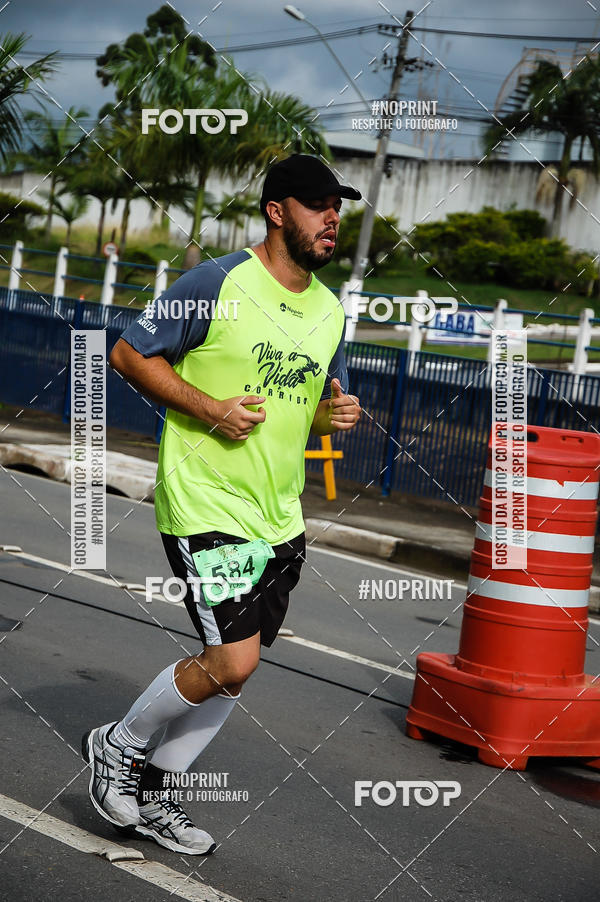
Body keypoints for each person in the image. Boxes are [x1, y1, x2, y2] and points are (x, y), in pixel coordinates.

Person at [82, 154, 362, 855]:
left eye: (338, 207)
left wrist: (332, 418)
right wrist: (212, 410)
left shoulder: (330, 311)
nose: (331, 218)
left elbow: (305, 408)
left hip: (280, 515)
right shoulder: (218, 281)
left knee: (238, 668)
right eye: (317, 204)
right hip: (207, 500)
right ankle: (118, 745)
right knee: (232, 662)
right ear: (277, 211)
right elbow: (129, 355)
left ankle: (156, 793)